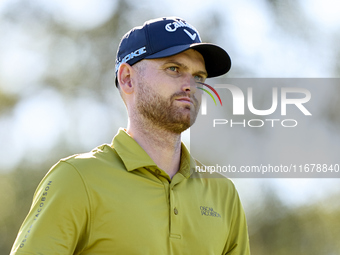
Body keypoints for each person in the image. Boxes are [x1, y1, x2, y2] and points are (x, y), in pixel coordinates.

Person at [10, 17, 250, 254]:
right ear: (127, 79)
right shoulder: (76, 180)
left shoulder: (223, 194)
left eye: (199, 76)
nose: (191, 85)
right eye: (174, 69)